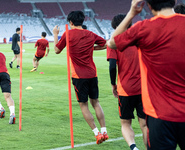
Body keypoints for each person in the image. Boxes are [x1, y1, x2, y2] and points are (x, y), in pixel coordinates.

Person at [108, 0, 185, 149]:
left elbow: (112, 43)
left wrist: (132, 13)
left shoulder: (143, 28)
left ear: (149, 5)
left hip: (159, 114)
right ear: (174, 1)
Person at [53, 10, 108, 144]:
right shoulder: (90, 34)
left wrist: (55, 35)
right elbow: (105, 44)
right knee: (95, 102)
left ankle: (97, 133)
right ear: (82, 21)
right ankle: (104, 131)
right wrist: (92, 49)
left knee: (83, 105)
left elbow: (56, 50)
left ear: (71, 22)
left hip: (78, 75)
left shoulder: (68, 33)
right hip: (92, 73)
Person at [107, 14, 147, 150]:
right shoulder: (139, 40)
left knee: (125, 123)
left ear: (115, 27)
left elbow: (112, 66)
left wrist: (113, 84)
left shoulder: (115, 42)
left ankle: (133, 147)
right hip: (143, 88)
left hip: (125, 89)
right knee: (145, 124)